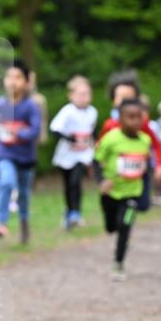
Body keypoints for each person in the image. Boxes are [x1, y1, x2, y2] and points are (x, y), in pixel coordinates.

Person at [0, 58, 41, 244]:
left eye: (18, 77)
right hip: (5, 155)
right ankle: (1, 222)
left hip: (26, 159)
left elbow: (35, 130)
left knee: (23, 194)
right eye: (9, 77)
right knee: (6, 182)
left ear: (27, 82)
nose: (13, 81)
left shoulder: (31, 106)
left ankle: (24, 222)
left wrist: (19, 132)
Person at [95, 70, 161, 212]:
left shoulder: (142, 123)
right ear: (113, 99)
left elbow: (156, 144)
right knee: (116, 206)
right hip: (116, 175)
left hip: (139, 170)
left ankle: (130, 212)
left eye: (129, 97)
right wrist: (101, 172)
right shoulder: (110, 125)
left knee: (141, 205)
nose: (125, 101)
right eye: (121, 97)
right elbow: (99, 148)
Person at [94, 98, 149, 281]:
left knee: (125, 225)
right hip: (111, 193)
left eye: (138, 117)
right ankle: (117, 234)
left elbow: (145, 167)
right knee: (111, 227)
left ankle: (118, 263)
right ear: (120, 119)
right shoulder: (111, 139)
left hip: (132, 193)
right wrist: (102, 180)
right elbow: (96, 160)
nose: (135, 121)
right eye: (130, 117)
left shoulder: (145, 140)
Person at [49, 75, 97, 230]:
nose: (84, 97)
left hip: (82, 155)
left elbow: (91, 131)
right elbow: (54, 129)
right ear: (71, 95)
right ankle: (69, 211)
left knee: (76, 181)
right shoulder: (67, 111)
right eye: (81, 94)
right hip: (66, 155)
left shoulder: (92, 112)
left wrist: (92, 146)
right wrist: (70, 139)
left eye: (87, 93)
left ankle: (76, 212)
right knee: (68, 184)